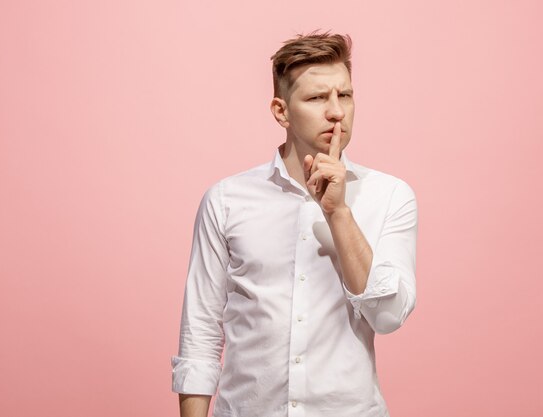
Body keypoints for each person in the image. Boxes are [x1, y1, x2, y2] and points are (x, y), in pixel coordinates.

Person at [171, 30, 418, 417]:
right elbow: (200, 331)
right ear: (281, 111)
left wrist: (338, 213)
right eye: (318, 97)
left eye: (345, 95)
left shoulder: (389, 195)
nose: (336, 111)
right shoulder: (226, 200)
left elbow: (387, 317)